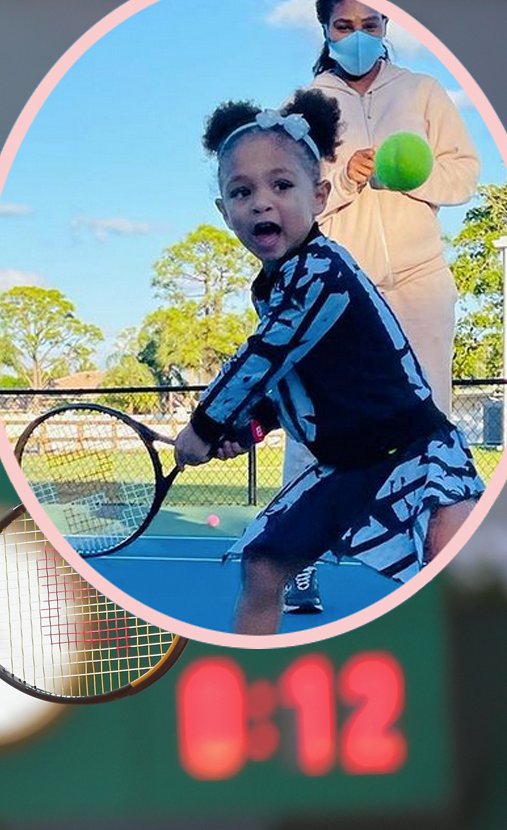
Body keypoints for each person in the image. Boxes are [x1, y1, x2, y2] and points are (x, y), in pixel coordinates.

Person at [174, 90, 483, 636]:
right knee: (264, 566)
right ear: (225, 213)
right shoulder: (273, 286)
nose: (262, 203)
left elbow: (265, 356)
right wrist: (251, 426)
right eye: (241, 191)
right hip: (346, 465)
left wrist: (204, 425)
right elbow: (293, 381)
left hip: (414, 451)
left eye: (282, 185)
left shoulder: (323, 271)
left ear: (320, 196)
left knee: (457, 584)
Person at [282, 0, 480, 614]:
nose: (359, 36)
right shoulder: (305, 104)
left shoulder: (422, 90)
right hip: (342, 289)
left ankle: (436, 568)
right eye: (345, 25)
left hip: (420, 282)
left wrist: (406, 176)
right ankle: (296, 563)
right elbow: (290, 196)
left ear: (387, 28)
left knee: (431, 430)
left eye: (372, 24)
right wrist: (345, 180)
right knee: (314, 428)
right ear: (325, 30)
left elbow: (464, 172)